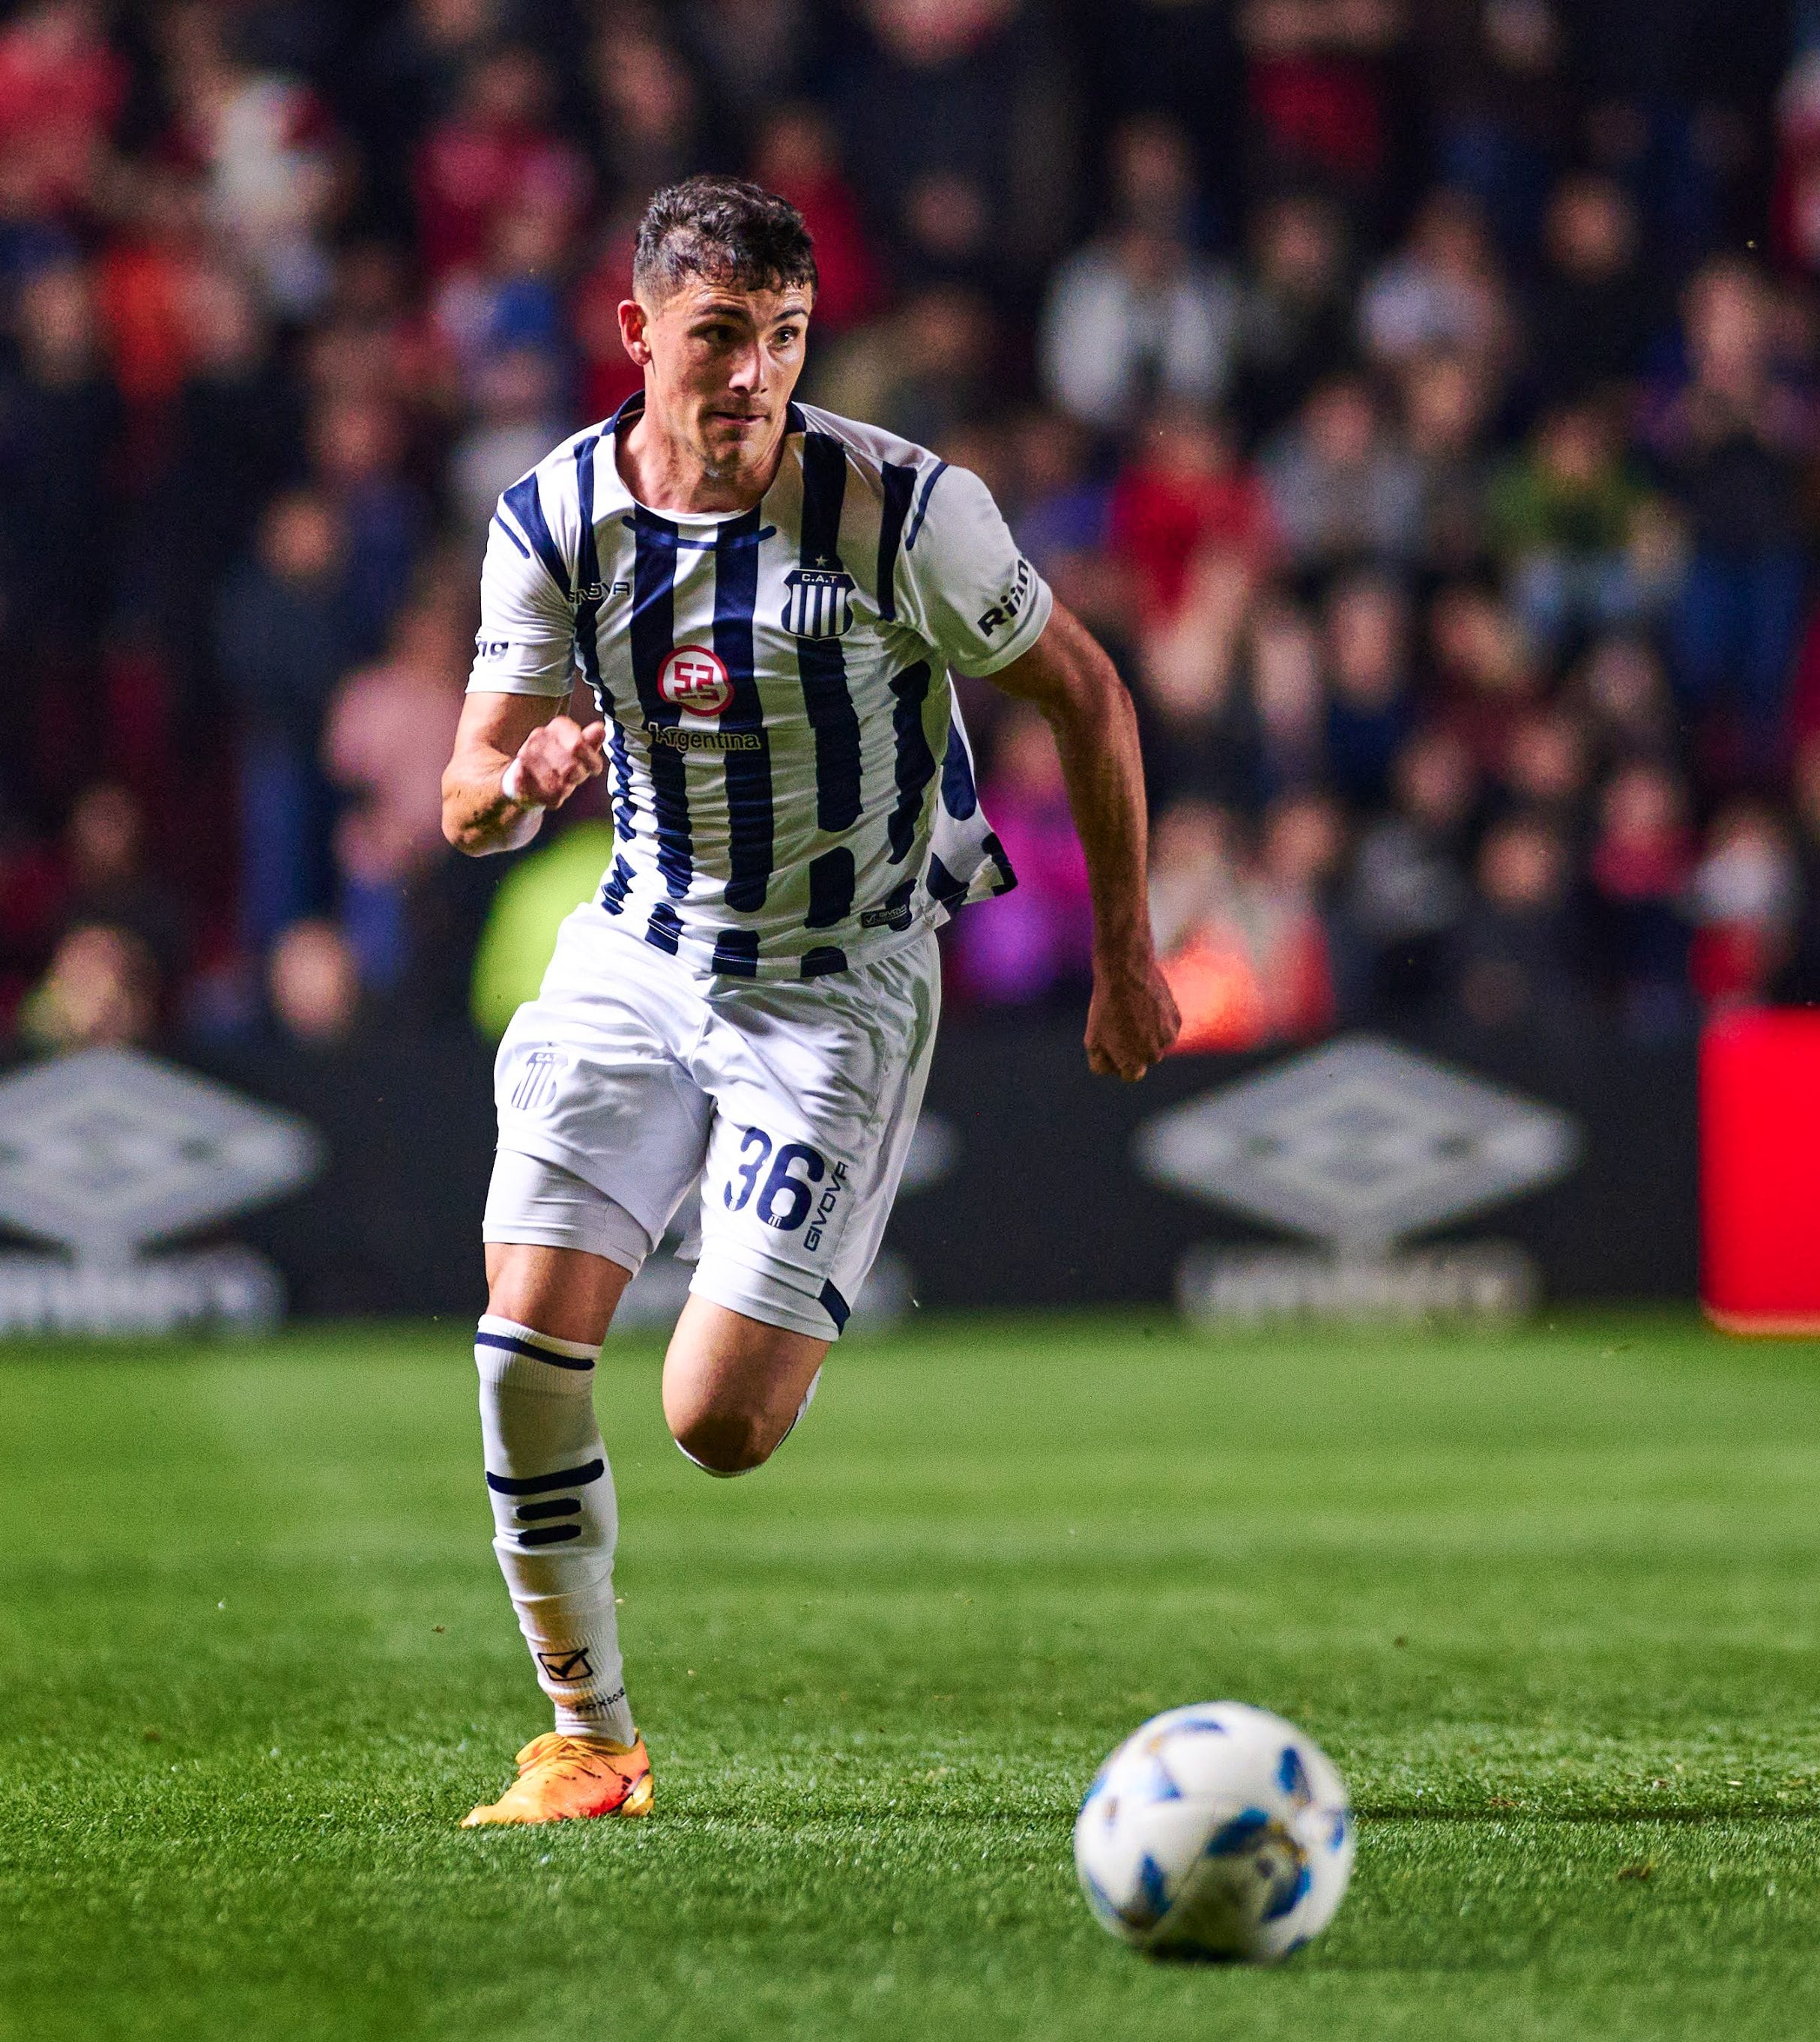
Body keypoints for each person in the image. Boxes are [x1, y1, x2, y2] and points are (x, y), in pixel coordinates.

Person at [436, 178, 1179, 1825]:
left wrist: (1125, 952)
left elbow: (1086, 690)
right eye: (717, 337)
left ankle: (765, 1278)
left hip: (836, 989)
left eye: (782, 338)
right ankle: (589, 1739)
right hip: (640, 955)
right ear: (637, 333)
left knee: (715, 1423)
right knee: (519, 1348)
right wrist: (524, 777)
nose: (752, 376)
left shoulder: (904, 510)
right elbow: (464, 792)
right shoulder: (553, 521)